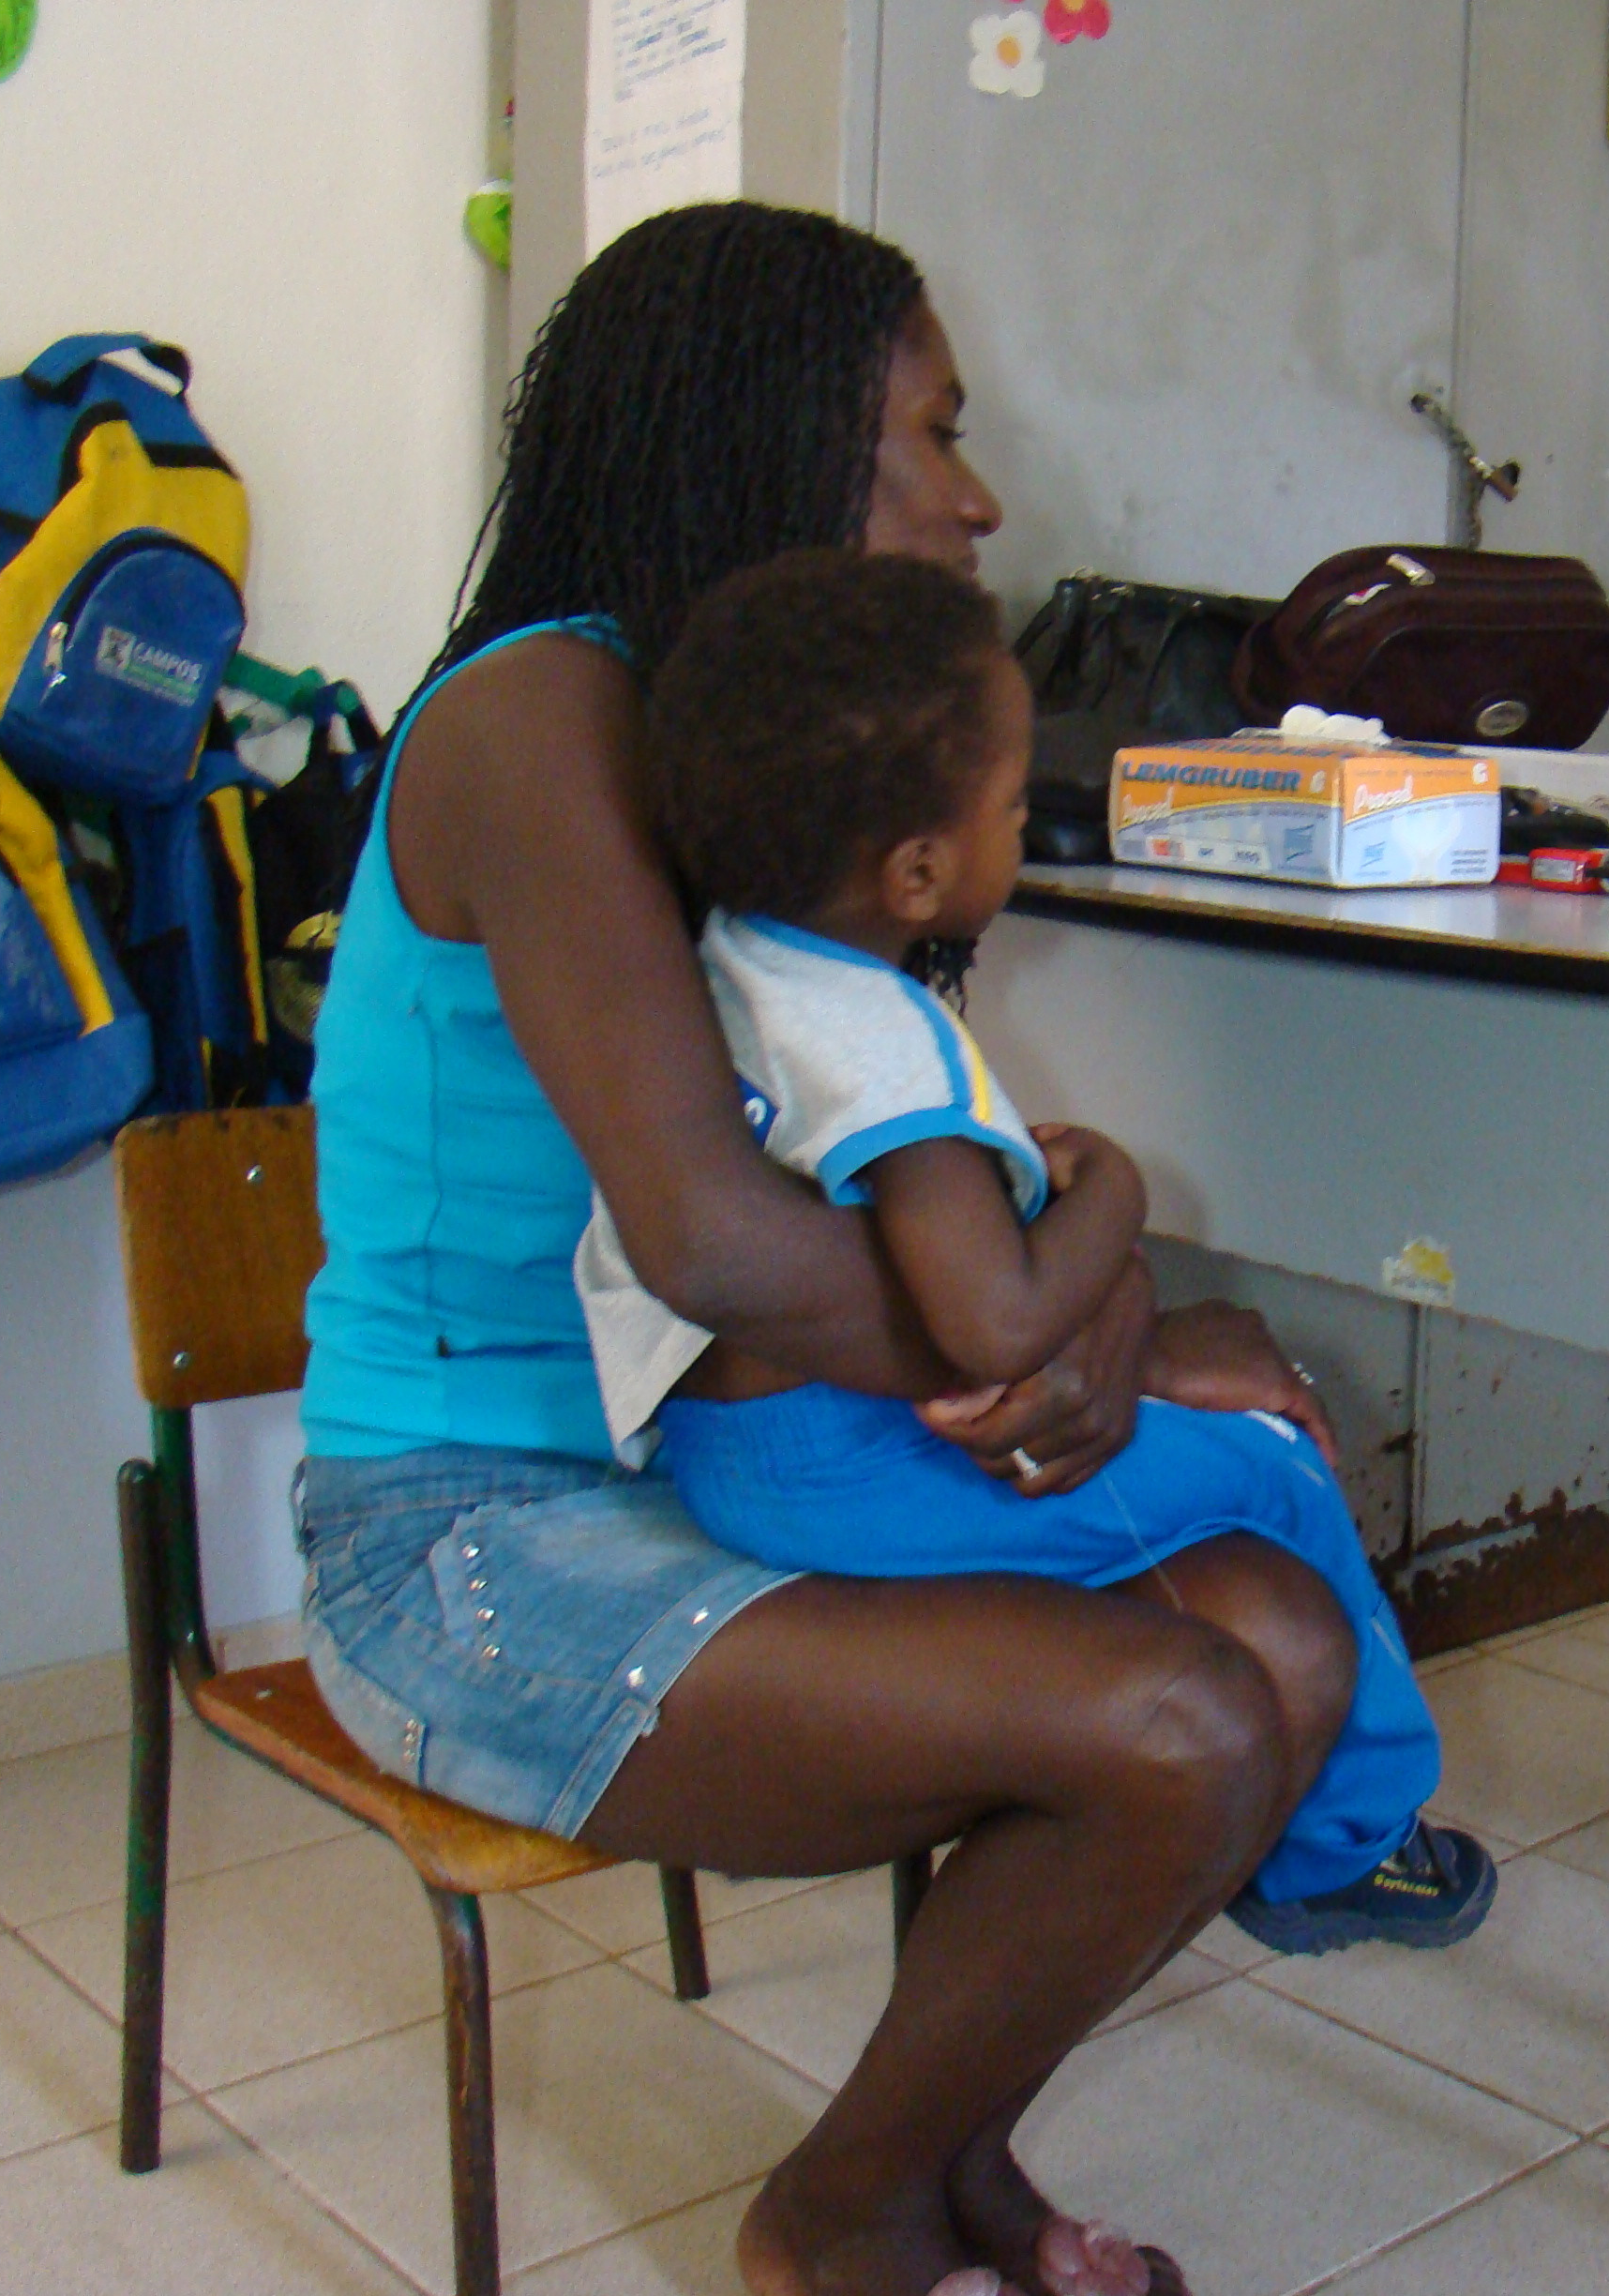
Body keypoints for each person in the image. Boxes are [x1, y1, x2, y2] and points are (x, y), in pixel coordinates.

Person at [296, 202, 1436, 2296]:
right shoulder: (544, 719)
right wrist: (1064, 1336)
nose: (975, 493)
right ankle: (839, 2226)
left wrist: (1095, 1314)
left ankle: (940, 2153)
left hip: (733, 1459)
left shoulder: (757, 757)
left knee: (1281, 1637)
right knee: (1174, 1720)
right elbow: (725, 1242)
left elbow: (933, 1174)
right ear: (773, 442)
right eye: (928, 429)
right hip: (473, 1529)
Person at [570, 544, 1489, 1951]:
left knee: (1210, 1480)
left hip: (715, 1457)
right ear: (922, 867)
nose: (1020, 829)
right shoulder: (890, 1055)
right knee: (1281, 1467)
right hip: (847, 1478)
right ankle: (1347, 1848)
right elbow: (994, 1328)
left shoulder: (724, 967)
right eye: (1010, 805)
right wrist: (1115, 1193)